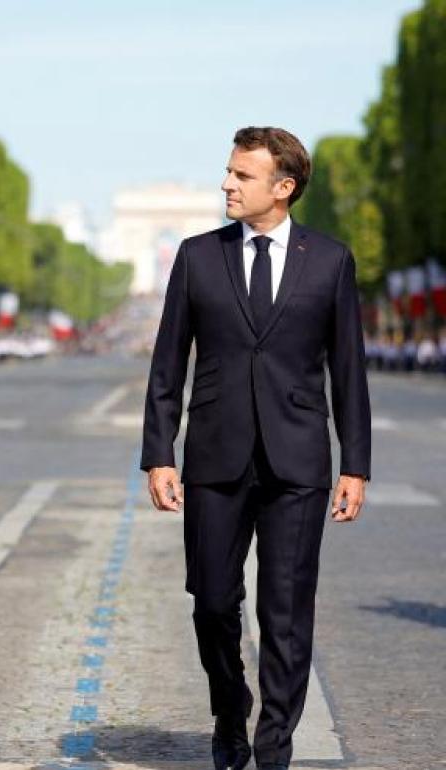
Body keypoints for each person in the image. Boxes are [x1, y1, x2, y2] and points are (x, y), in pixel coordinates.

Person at [141, 127, 371, 770]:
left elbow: (349, 370)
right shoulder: (195, 257)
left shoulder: (330, 260)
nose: (227, 184)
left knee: (286, 610)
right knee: (213, 601)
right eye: (228, 172)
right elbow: (167, 366)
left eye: (242, 175)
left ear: (284, 187)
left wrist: (355, 464)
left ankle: (273, 748)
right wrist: (160, 454)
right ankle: (228, 706)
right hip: (215, 457)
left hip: (298, 460)